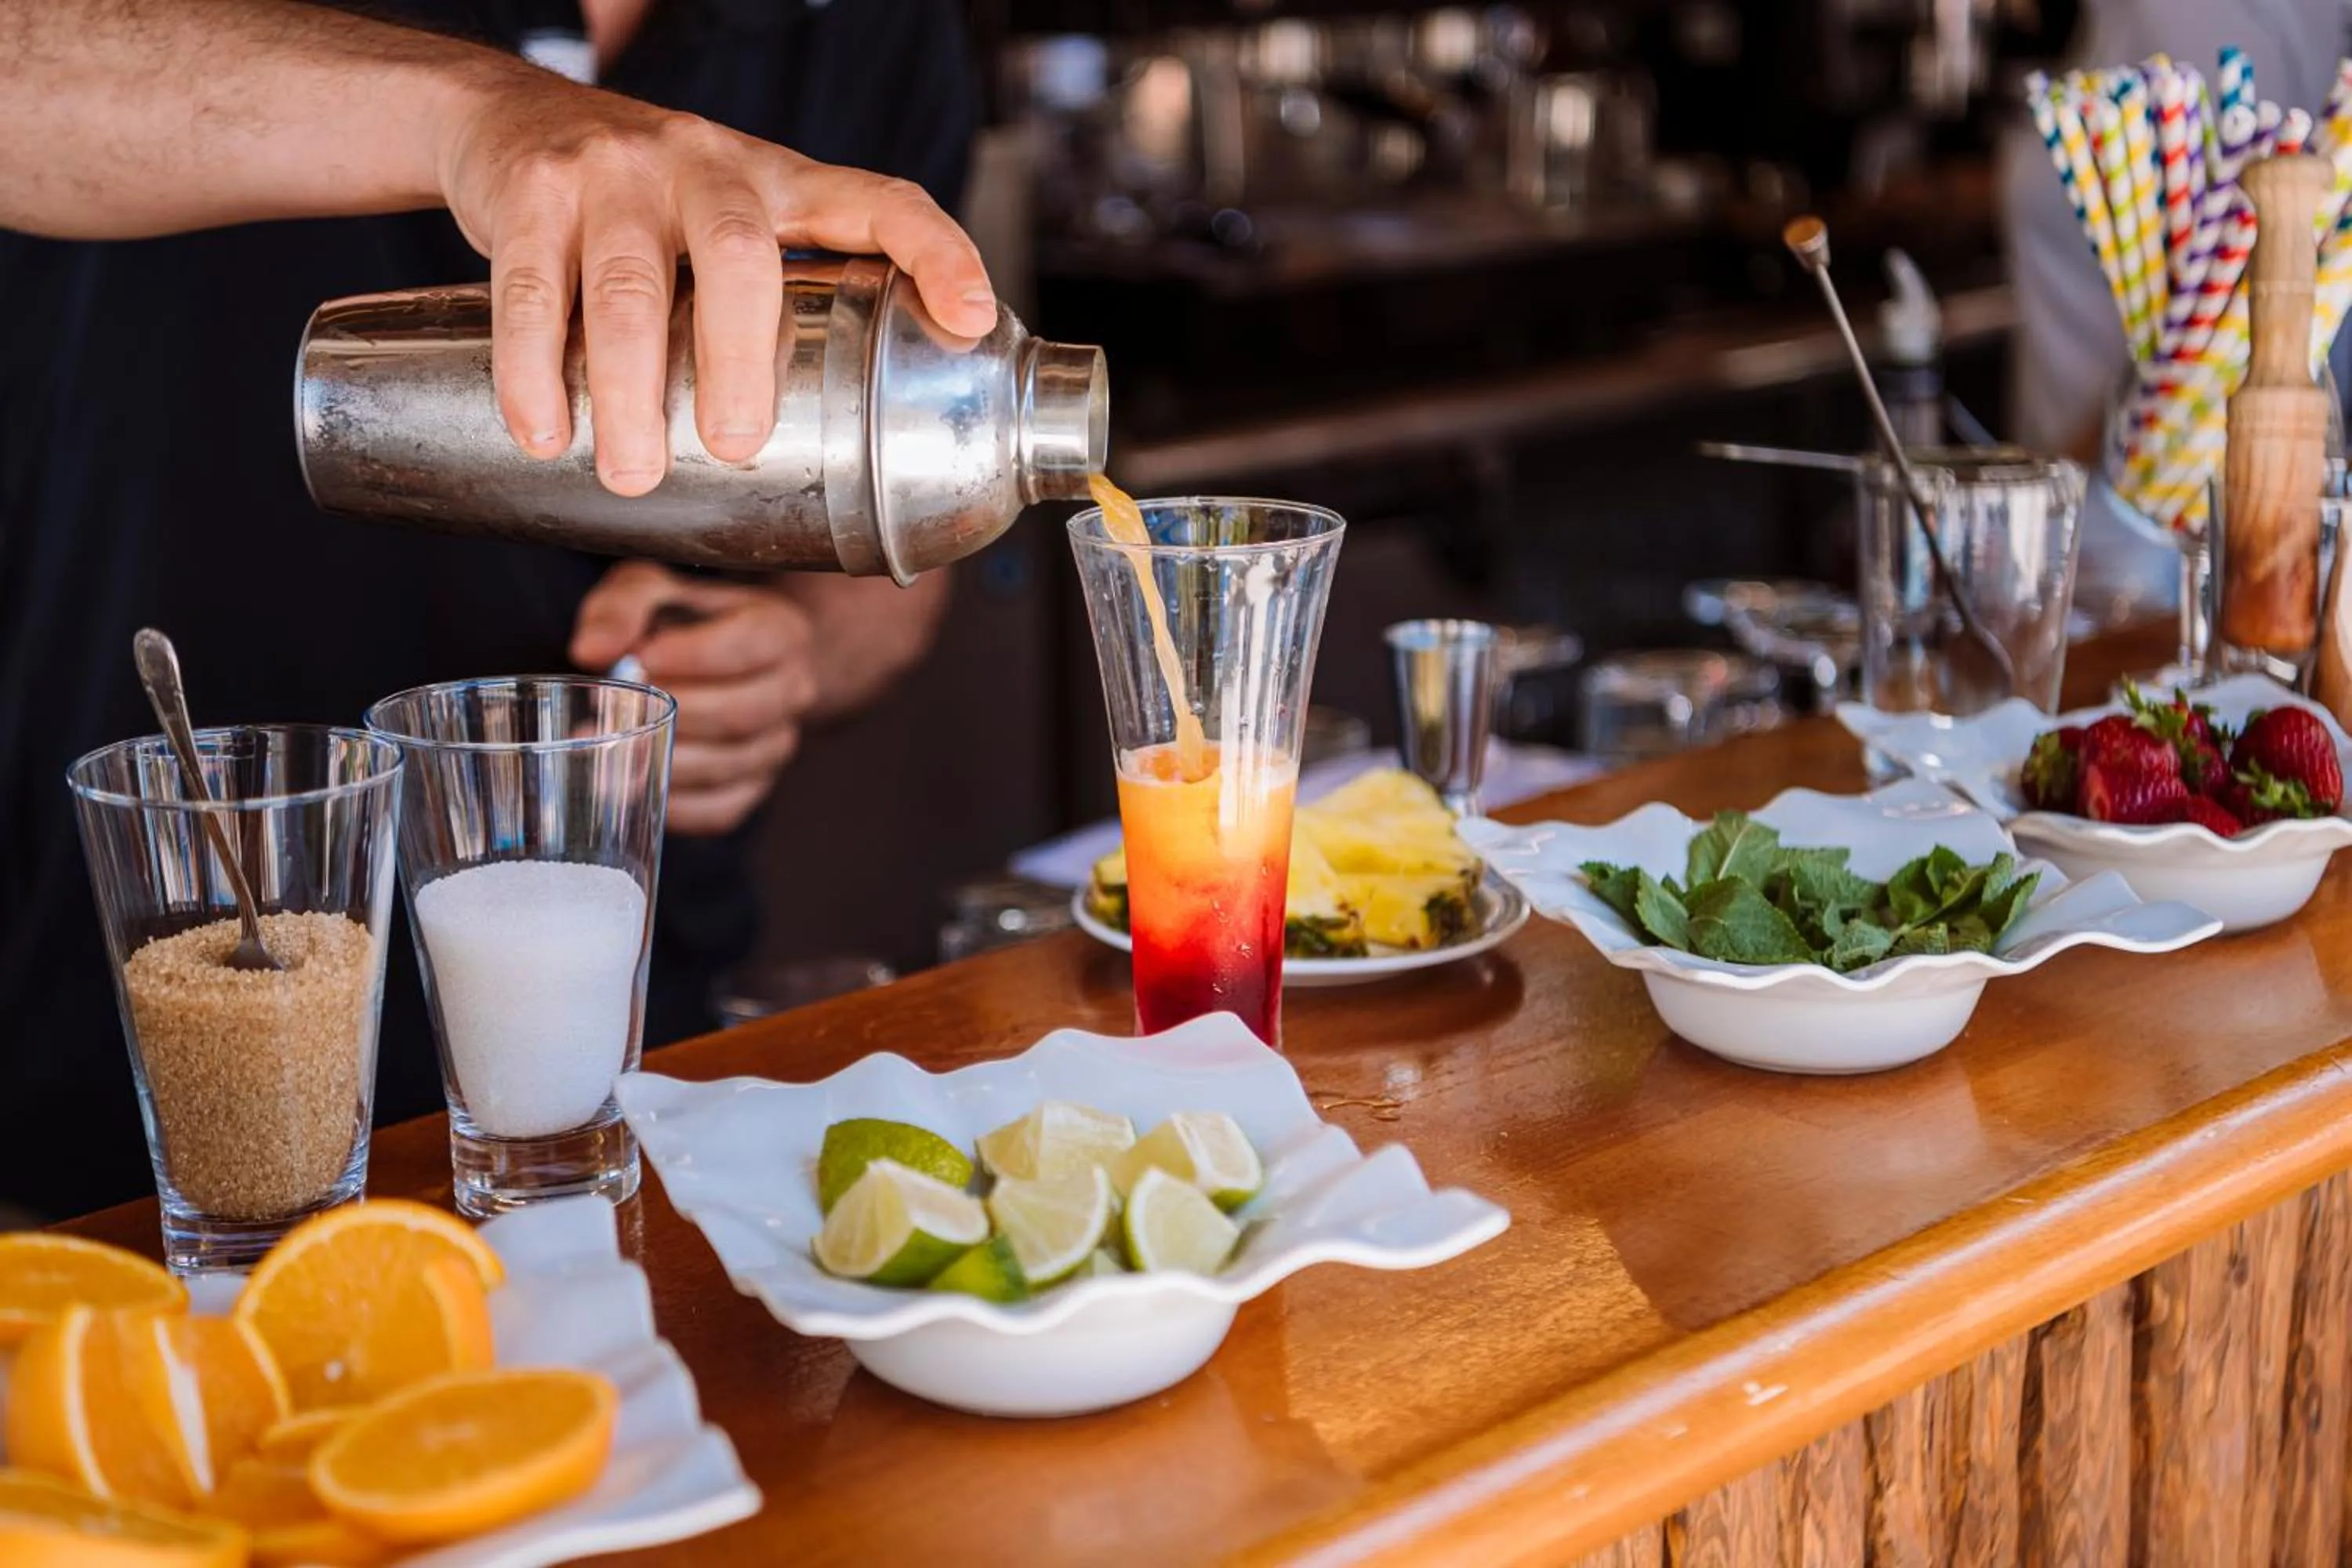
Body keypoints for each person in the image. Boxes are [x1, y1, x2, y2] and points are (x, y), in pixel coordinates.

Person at [0, 0, 988, 1219]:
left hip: (609, 1099)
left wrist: (793, 653)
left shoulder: (873, 28)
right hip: (124, 1110)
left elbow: (900, 553)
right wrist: (487, 117)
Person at [1997, 3, 2352, 619]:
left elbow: (2250, 282)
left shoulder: (2233, 20)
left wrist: (2104, 474)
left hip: (2155, 549)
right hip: (2071, 523)